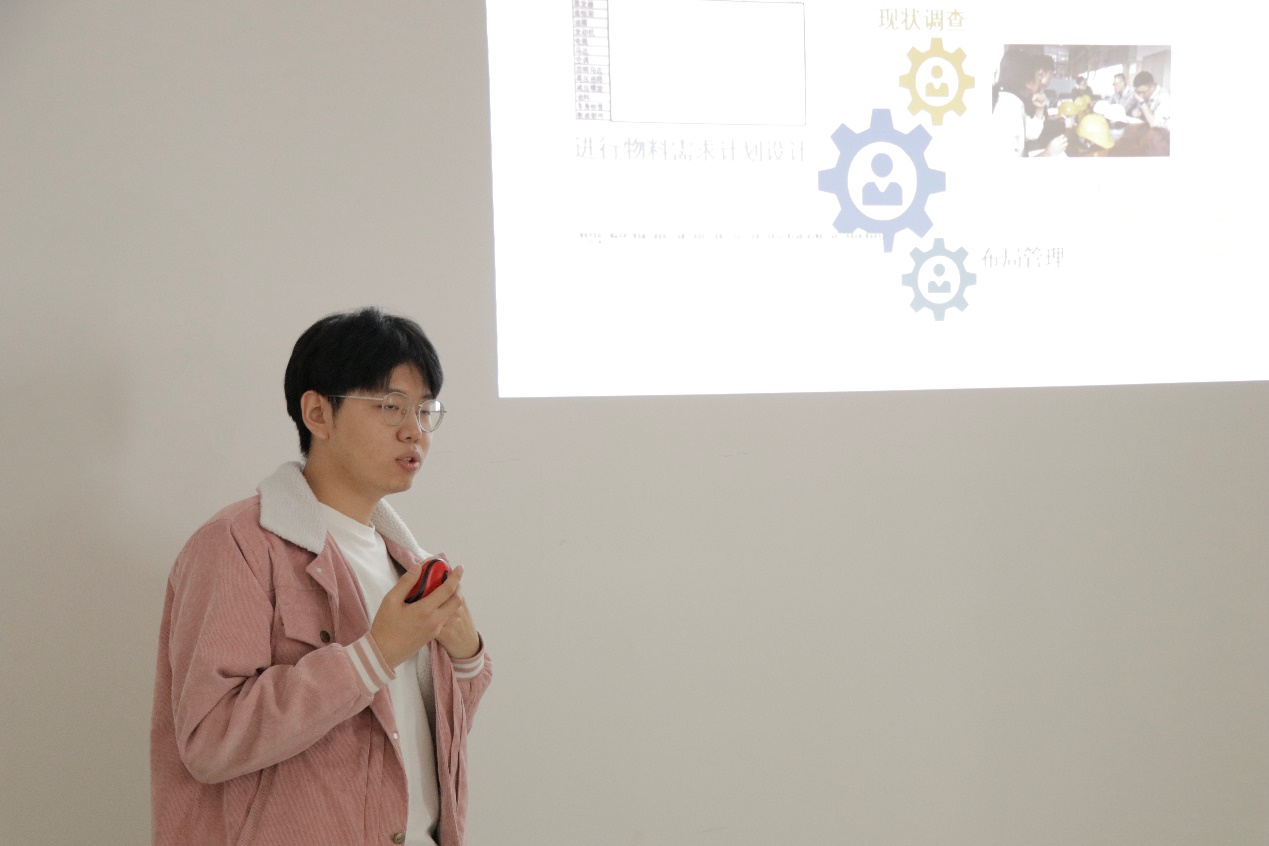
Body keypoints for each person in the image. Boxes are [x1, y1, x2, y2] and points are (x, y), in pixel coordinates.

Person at [150, 307, 492, 846]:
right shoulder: (236, 544)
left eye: (425, 410)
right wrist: (374, 654)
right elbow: (210, 740)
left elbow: (419, 731)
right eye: (390, 407)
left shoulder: (407, 561)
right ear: (318, 414)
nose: (414, 431)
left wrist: (468, 656)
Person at [992, 49, 1066, 157]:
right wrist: (1048, 153)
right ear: (1028, 83)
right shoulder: (1006, 111)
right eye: (1038, 76)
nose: (1040, 80)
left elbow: (1030, 133)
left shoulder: (1014, 102)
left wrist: (1040, 108)